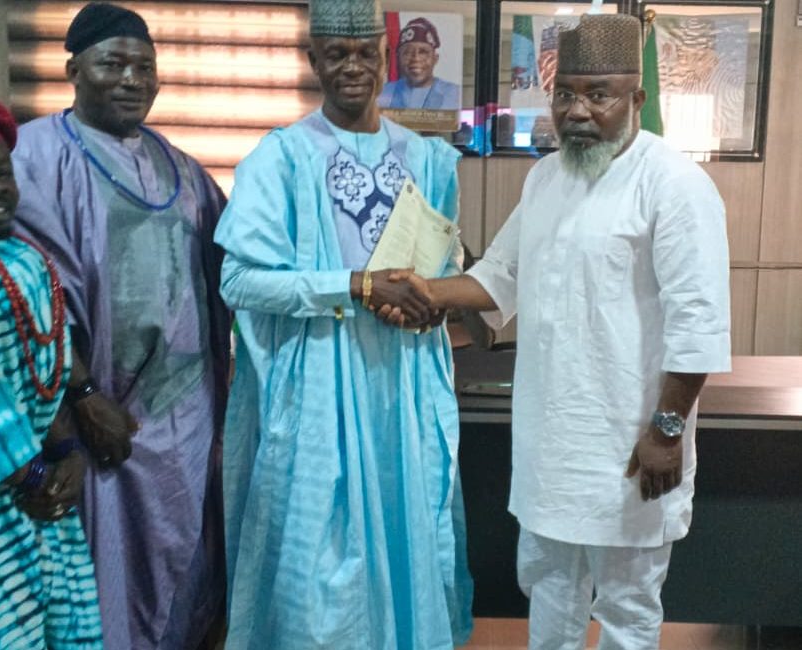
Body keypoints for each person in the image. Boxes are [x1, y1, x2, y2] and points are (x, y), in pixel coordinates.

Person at [389, 14, 731, 650]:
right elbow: (500, 275)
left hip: (632, 445)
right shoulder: (547, 177)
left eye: (598, 94)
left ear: (637, 97)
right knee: (547, 592)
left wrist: (666, 431)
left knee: (627, 607)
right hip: (551, 447)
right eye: (565, 93)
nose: (577, 110)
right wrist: (426, 293)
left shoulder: (676, 185)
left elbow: (699, 322)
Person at [214, 0, 473, 647]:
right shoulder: (281, 159)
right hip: (321, 391)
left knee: (411, 532)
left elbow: (446, 264)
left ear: (385, 59)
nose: (352, 67)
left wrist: (432, 299)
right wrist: (355, 285)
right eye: (336, 54)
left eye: (364, 53)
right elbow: (238, 281)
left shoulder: (430, 160)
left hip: (405, 388)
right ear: (314, 61)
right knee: (318, 578)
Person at [9, 3, 231, 649]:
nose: (132, 80)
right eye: (113, 64)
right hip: (91, 413)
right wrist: (81, 394)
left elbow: (233, 272)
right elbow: (24, 295)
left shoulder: (183, 169)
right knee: (101, 568)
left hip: (185, 412)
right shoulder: (32, 157)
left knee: (185, 561)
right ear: (74, 70)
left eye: (144, 67)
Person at [0, 87, 103, 649]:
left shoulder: (24, 259)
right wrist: (32, 476)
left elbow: (40, 376)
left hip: (30, 503)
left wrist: (66, 452)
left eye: (2, 173)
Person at [378, 17, 461, 111]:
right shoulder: (381, 93)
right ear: (398, 58)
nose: (416, 58)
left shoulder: (455, 94)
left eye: (423, 52)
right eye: (407, 52)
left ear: (435, 58)